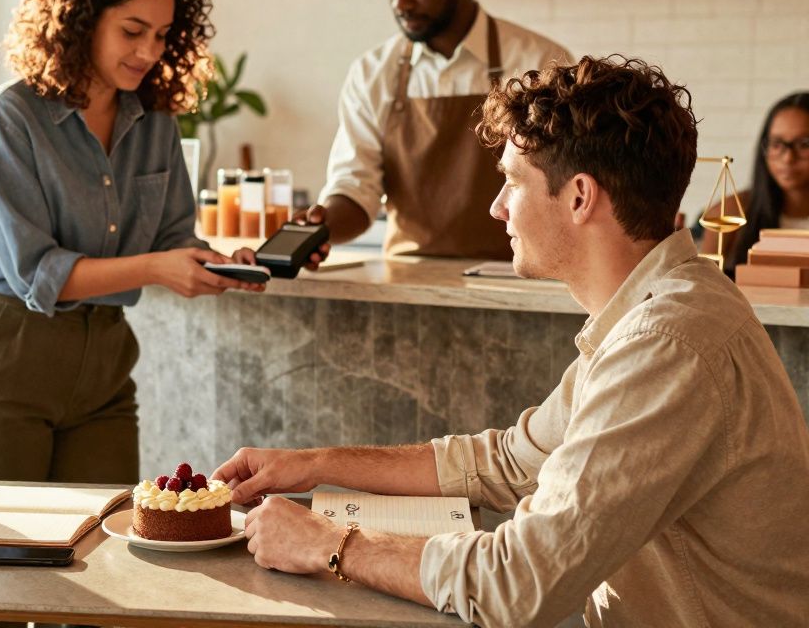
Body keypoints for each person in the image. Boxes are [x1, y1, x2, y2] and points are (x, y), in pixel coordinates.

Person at [214, 56, 809, 626]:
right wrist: (314, 465)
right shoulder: (655, 308)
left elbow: (518, 584)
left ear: (580, 197)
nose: (497, 208)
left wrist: (330, 544)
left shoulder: (666, 344)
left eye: (511, 181)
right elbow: (507, 463)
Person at [0, 0, 311, 513]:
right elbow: (39, 275)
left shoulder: (156, 120)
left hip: (105, 364)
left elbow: (172, 235)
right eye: (132, 31)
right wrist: (158, 269)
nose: (148, 51)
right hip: (7, 356)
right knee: (1, 560)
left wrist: (214, 262)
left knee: (103, 550)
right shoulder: (10, 119)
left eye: (161, 35)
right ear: (81, 21)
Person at [308, 0, 569, 257]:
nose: (400, 2)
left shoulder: (539, 63)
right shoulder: (372, 74)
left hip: (515, 278)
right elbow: (355, 187)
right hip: (407, 278)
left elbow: (563, 187)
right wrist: (320, 228)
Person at [697, 92, 809, 271]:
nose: (788, 158)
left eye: (804, 144)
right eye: (777, 144)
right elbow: (703, 282)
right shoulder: (731, 212)